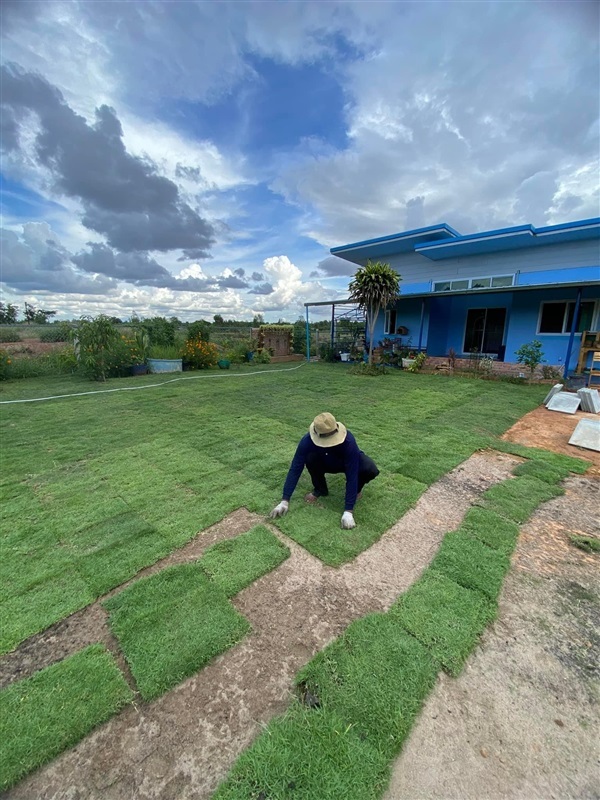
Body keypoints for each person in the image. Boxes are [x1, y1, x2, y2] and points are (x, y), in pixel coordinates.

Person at [269, 412, 380, 529]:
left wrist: (348, 511)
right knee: (310, 458)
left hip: (344, 462)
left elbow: (352, 473)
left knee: (369, 468)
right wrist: (285, 500)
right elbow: (295, 468)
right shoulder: (307, 441)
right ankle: (320, 489)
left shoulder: (348, 441)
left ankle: (357, 490)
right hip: (324, 461)